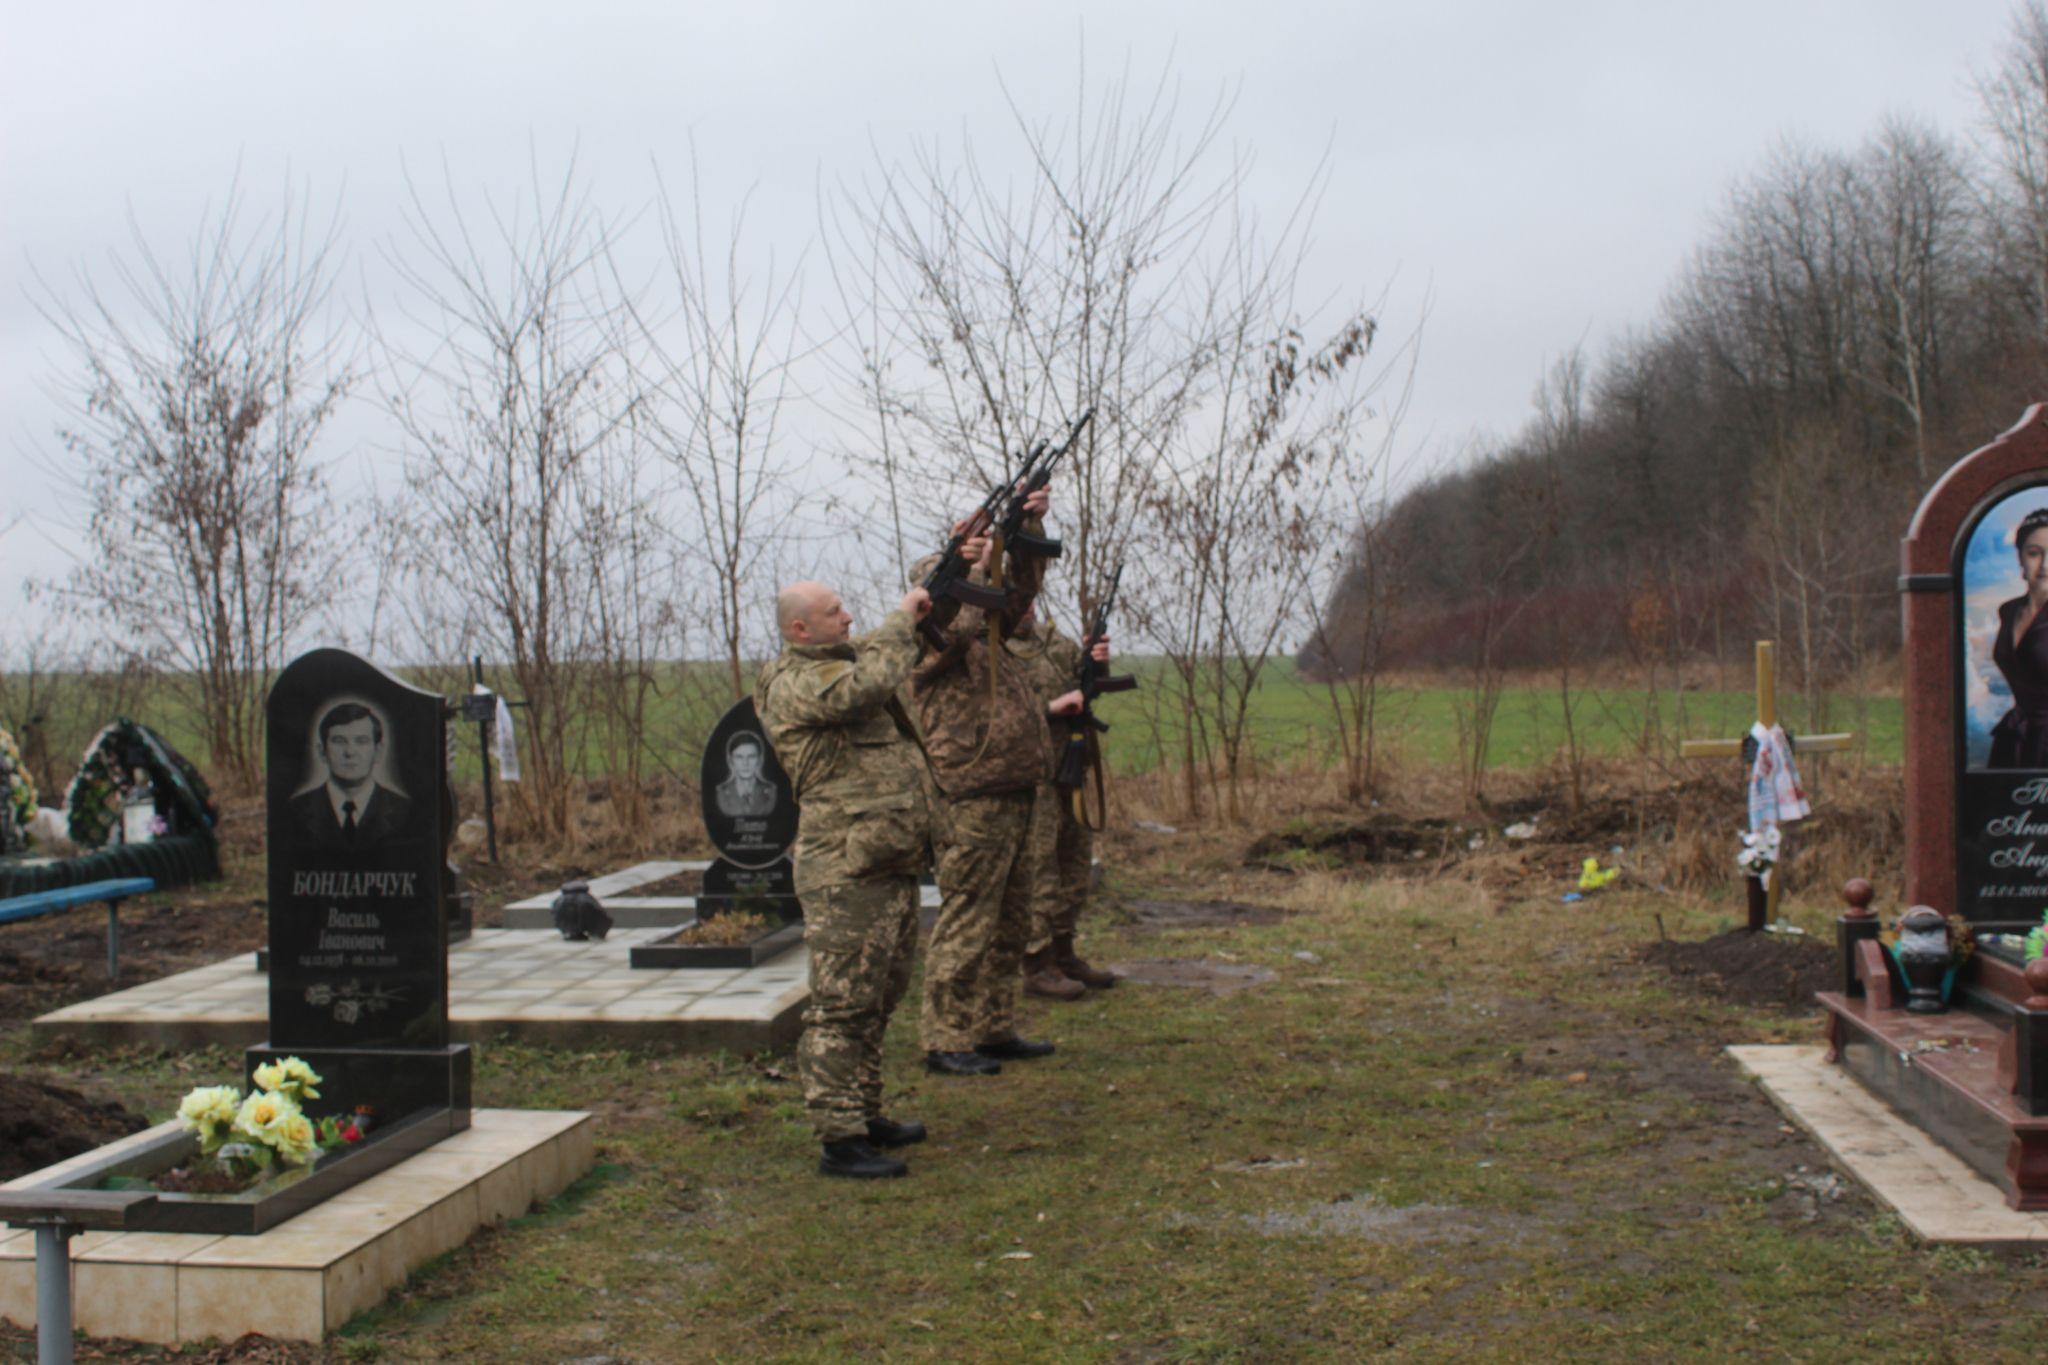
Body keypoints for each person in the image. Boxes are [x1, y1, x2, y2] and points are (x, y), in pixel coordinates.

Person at [756, 577, 936, 1179]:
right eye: (835, 613)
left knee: (880, 995)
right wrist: (902, 617)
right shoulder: (796, 681)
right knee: (841, 1004)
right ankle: (839, 1136)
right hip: (844, 868)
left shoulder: (842, 661)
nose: (848, 617)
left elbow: (885, 661)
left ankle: (864, 1109)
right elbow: (868, 686)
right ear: (800, 629)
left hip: (885, 860)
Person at [909, 486, 1078, 1076]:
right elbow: (959, 614)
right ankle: (945, 1038)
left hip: (1013, 784)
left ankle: (993, 1025)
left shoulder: (991, 634)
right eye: (970, 575)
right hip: (970, 792)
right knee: (970, 916)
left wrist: (1023, 535)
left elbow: (1015, 597)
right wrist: (971, 560)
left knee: (1012, 917)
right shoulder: (930, 641)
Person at [1013, 607, 1118, 1000]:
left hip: (1070, 767)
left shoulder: (1054, 642)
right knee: (1040, 869)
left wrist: (1097, 663)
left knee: (1073, 861)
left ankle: (1064, 952)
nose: (1027, 609)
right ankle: (1037, 963)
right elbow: (994, 715)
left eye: (1030, 600)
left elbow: (1087, 684)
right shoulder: (993, 650)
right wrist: (1051, 710)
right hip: (1030, 773)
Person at [288, 703, 413, 850]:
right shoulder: (293, 811)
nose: (349, 752)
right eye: (339, 741)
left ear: (378, 751)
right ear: (322, 752)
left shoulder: (406, 810)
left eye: (361, 741)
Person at [1991, 506, 2048, 769]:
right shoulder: (2009, 610)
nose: (2045, 564)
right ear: (2021, 558)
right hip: (2013, 737)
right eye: (2035, 553)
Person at [713, 733, 778, 816]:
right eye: (739, 757)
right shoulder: (721, 793)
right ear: (730, 760)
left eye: (751, 757)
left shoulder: (771, 793)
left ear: (760, 759)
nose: (745, 763)